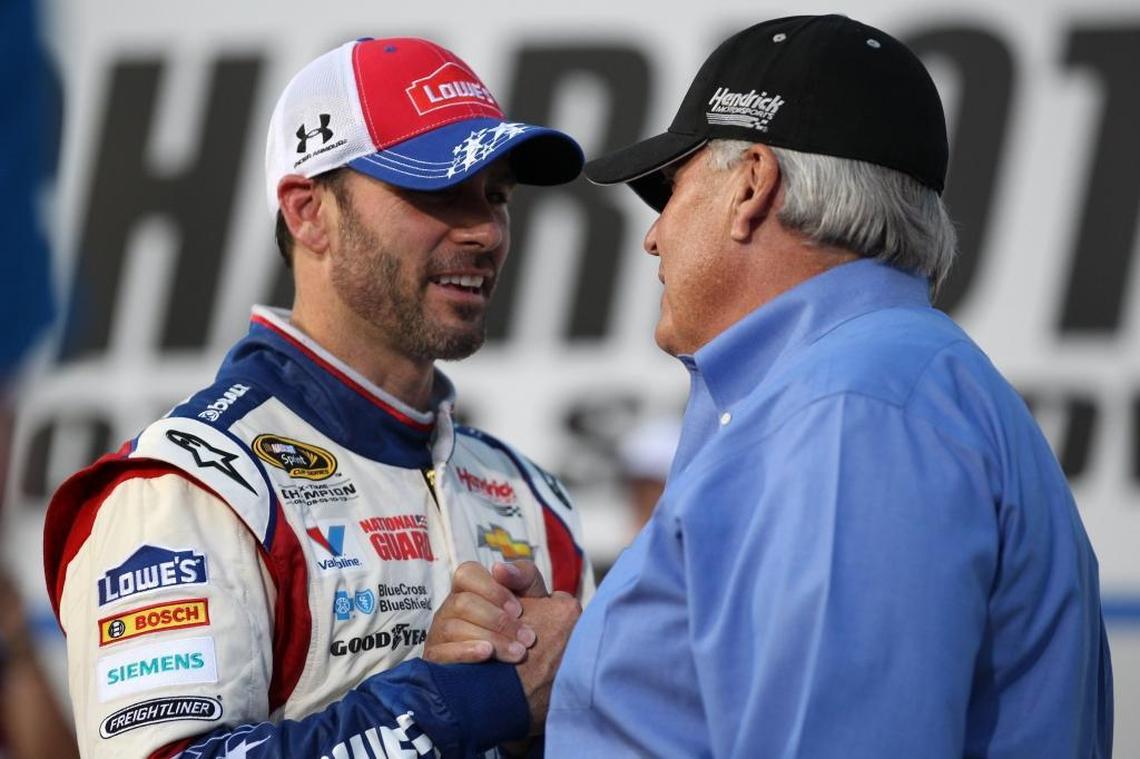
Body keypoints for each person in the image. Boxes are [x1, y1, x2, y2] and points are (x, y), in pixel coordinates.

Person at [538, 14, 1111, 757]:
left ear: (752, 185)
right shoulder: (870, 388)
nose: (653, 236)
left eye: (671, 190)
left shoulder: (852, 410)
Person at [42, 36, 592, 758]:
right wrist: (462, 703)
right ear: (308, 213)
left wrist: (552, 712)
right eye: (439, 190)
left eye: (496, 196)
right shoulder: (189, 490)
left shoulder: (527, 496)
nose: (485, 230)